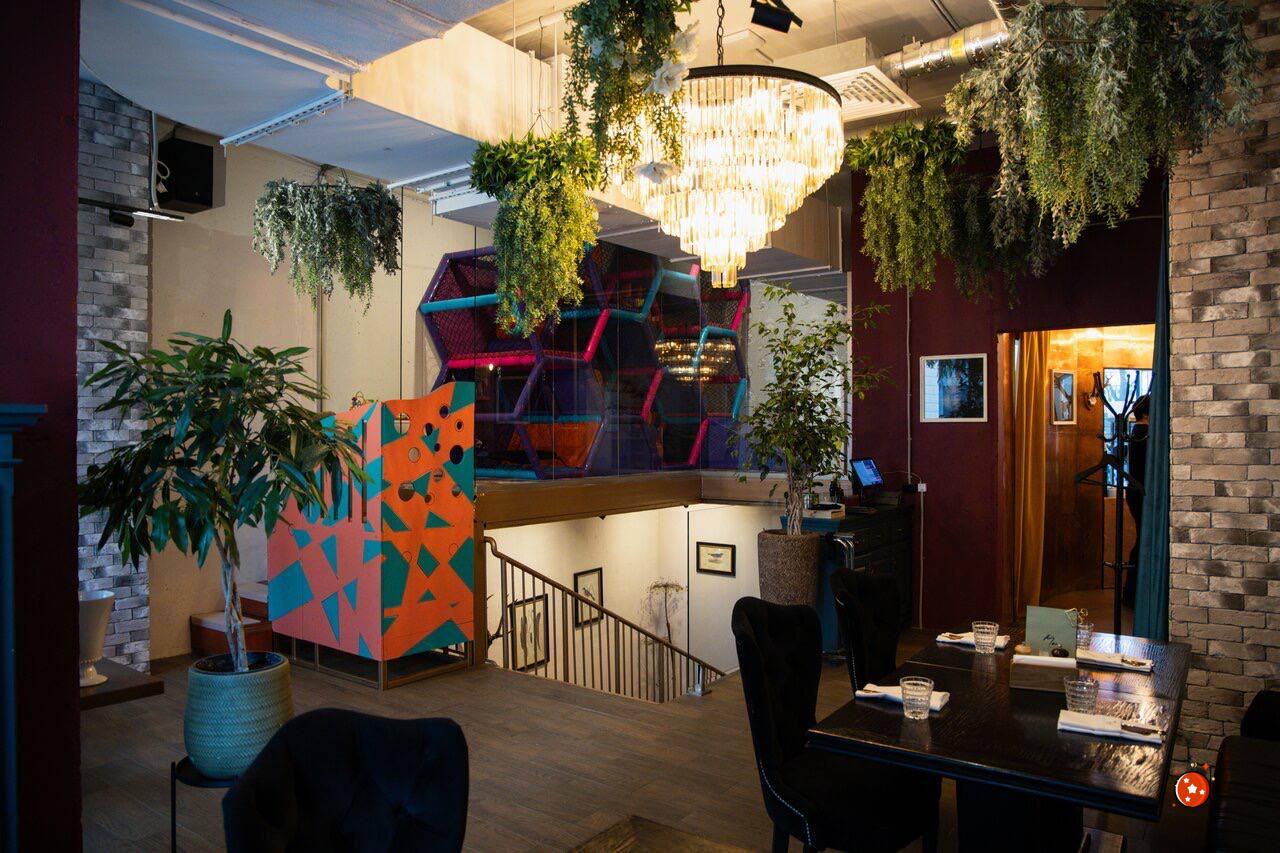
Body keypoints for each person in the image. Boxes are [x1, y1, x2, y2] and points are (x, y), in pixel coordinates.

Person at [1123, 394, 1150, 607]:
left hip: (1134, 493)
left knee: (1141, 539)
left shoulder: (1136, 433)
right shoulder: (1145, 435)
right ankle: (1132, 593)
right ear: (1148, 413)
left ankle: (1131, 593)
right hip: (1141, 494)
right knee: (1143, 541)